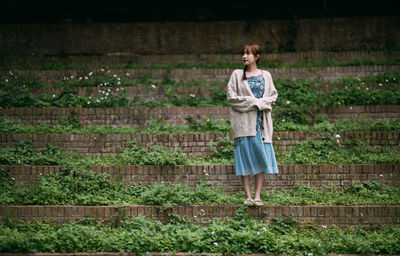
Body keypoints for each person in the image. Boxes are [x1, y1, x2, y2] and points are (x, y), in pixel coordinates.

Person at [227, 43, 279, 206]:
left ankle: (257, 196)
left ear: (257, 57)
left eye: (248, 53)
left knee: (260, 159)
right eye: (243, 53)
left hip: (261, 125)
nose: (244, 56)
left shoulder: (266, 75)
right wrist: (255, 103)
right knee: (244, 159)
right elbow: (232, 98)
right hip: (243, 125)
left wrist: (260, 103)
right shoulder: (236, 75)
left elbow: (272, 96)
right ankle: (247, 196)